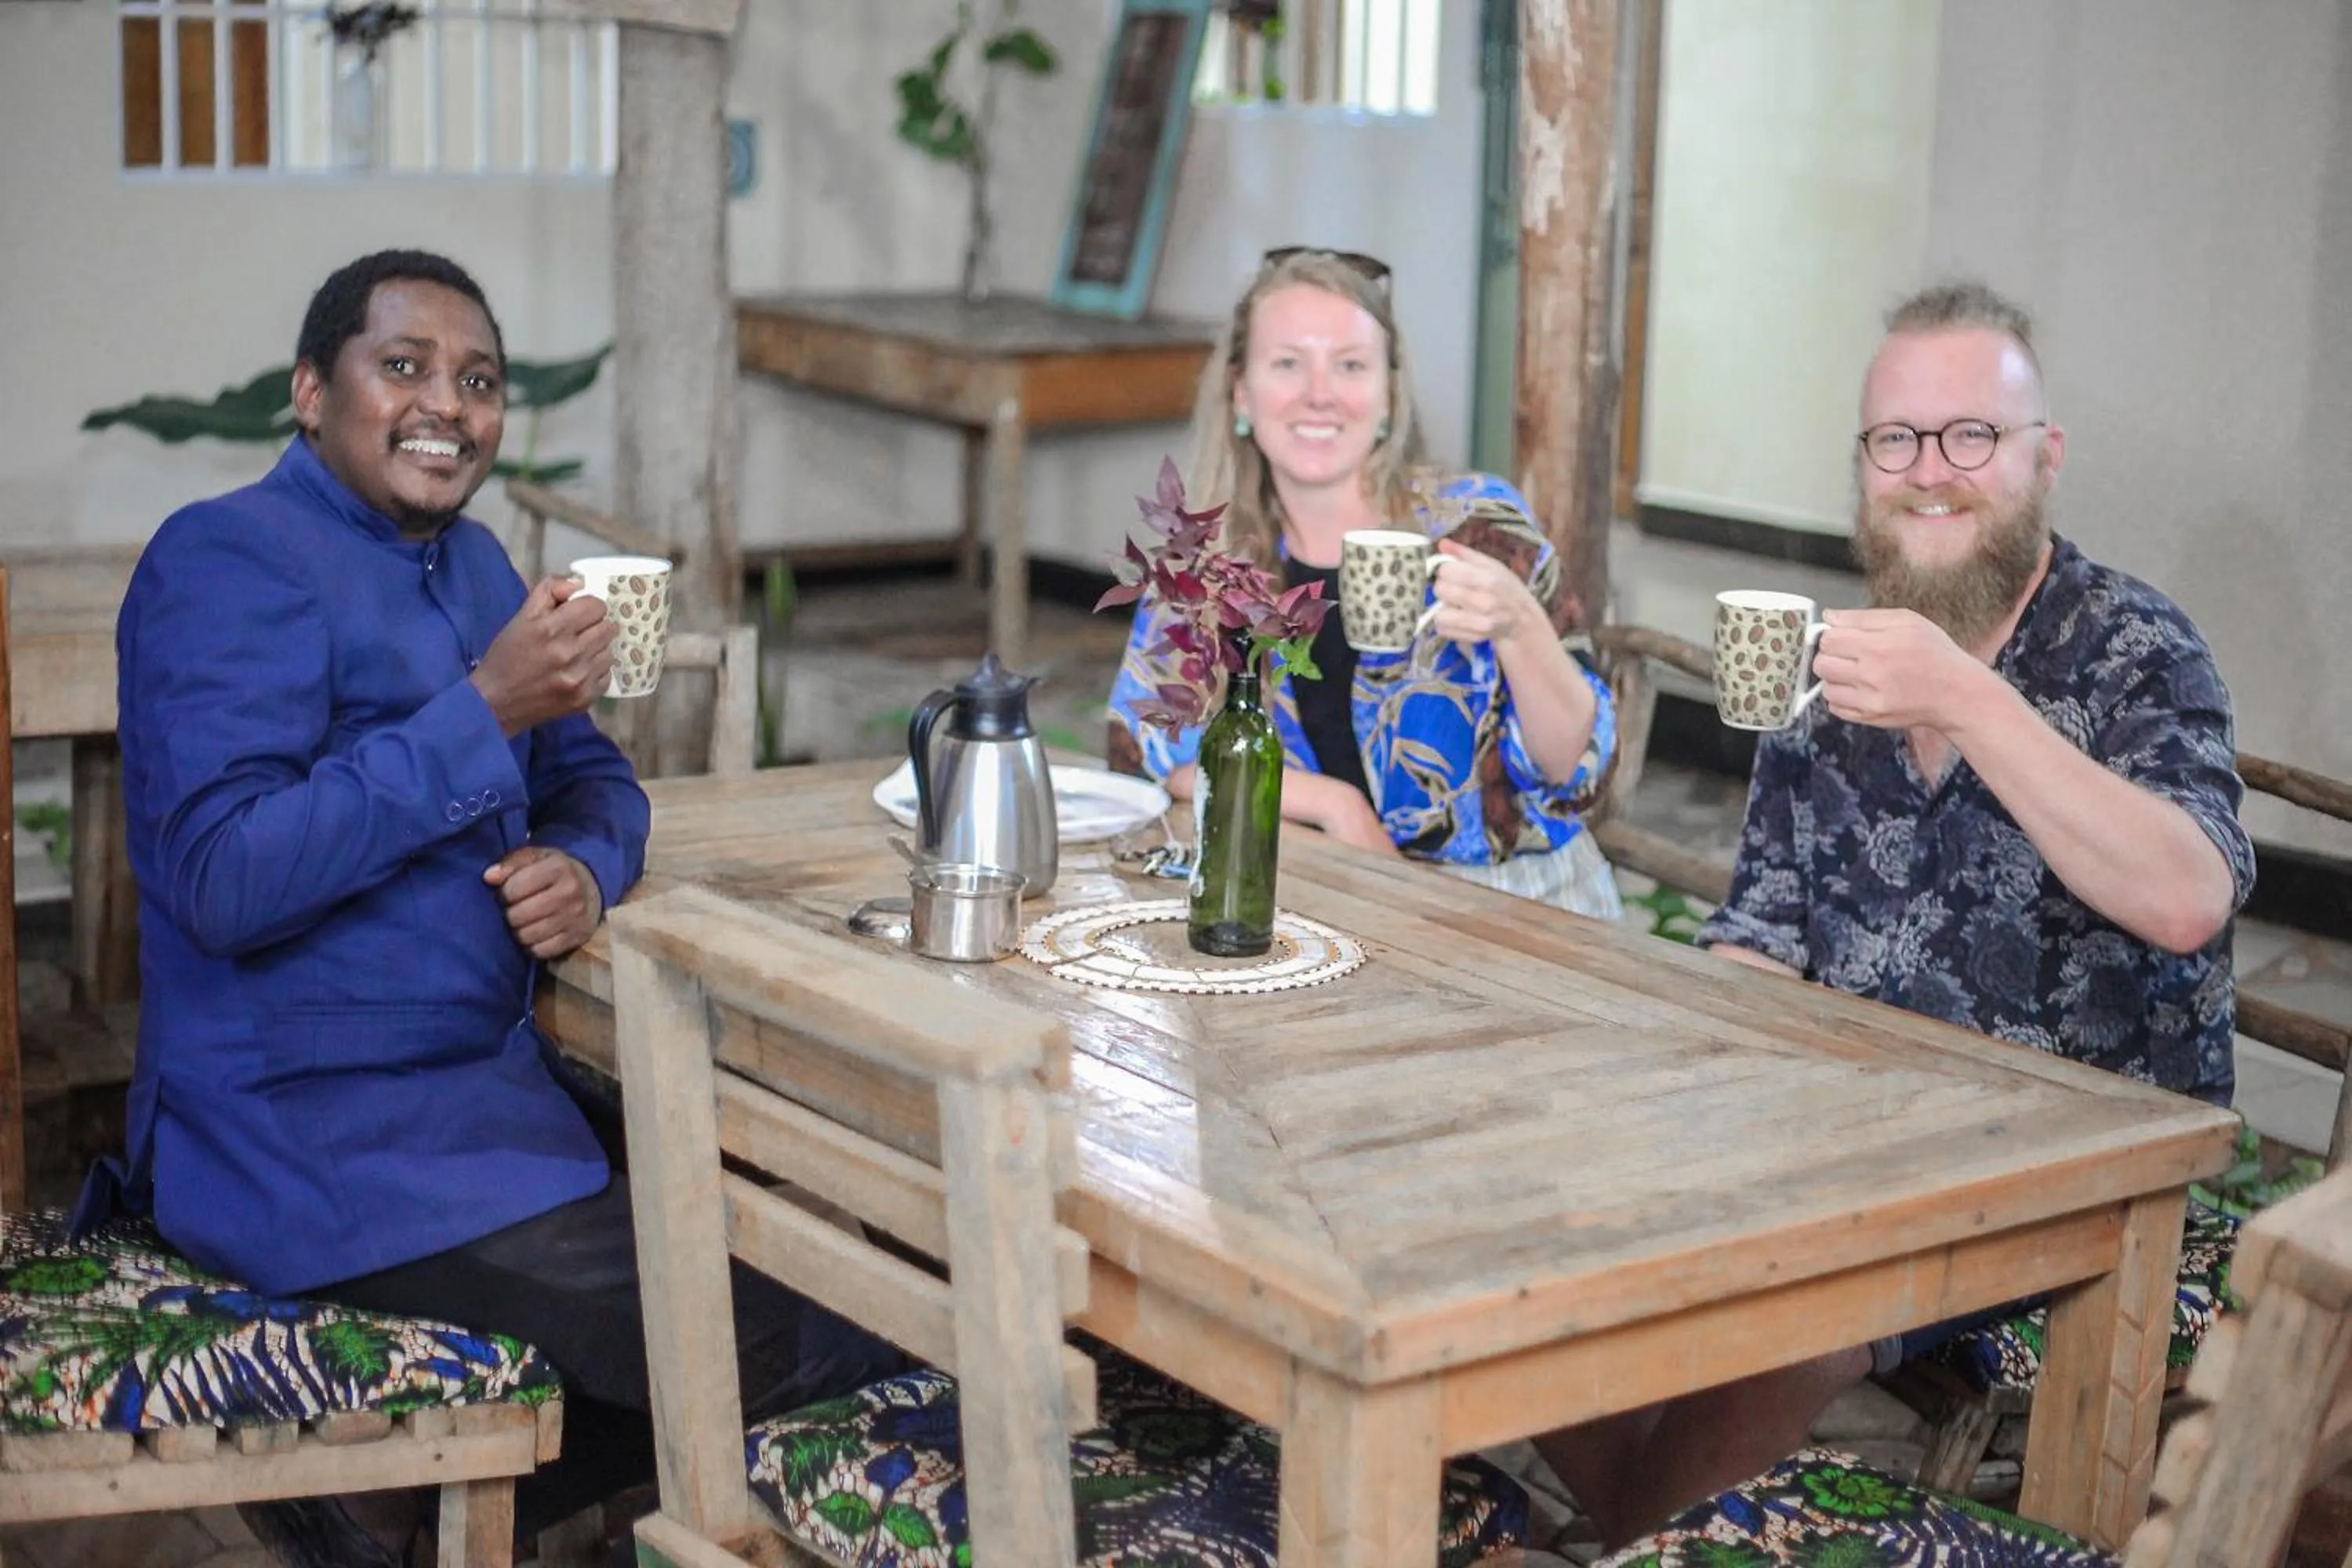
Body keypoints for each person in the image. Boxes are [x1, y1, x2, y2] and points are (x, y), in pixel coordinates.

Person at [95, 249, 898, 1565]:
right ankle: (390, 1495)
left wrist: (584, 860)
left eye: (477, 382)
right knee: (814, 1349)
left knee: (810, 1265)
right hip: (308, 1141)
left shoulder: (475, 566)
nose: (446, 405)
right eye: (401, 367)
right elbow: (223, 879)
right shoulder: (225, 559)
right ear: (311, 392)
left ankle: (387, 1499)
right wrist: (485, 710)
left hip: (480, 1109)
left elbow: (602, 784)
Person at [1533, 280, 2256, 1548]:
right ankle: (1638, 1524)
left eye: (1972, 435)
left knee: (1786, 1318)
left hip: (2076, 1194)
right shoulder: (1835, 669)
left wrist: (1971, 703)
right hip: (1845, 1148)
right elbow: (1758, 939)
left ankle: (1617, 1538)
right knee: (1532, 1213)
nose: (1931, 472)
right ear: (1862, 464)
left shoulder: (2138, 649)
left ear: (2045, 456)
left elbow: (2189, 897)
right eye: (1896, 441)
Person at [1107, 246, 1621, 919]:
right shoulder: (1207, 566)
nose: (1319, 394)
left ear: (1387, 397)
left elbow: (1574, 774)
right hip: (1315, 890)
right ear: (1241, 392)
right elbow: (1148, 757)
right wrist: (1332, 805)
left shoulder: (1480, 526)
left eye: (1350, 366)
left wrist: (1521, 626)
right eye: (1288, 363)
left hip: (1514, 902)